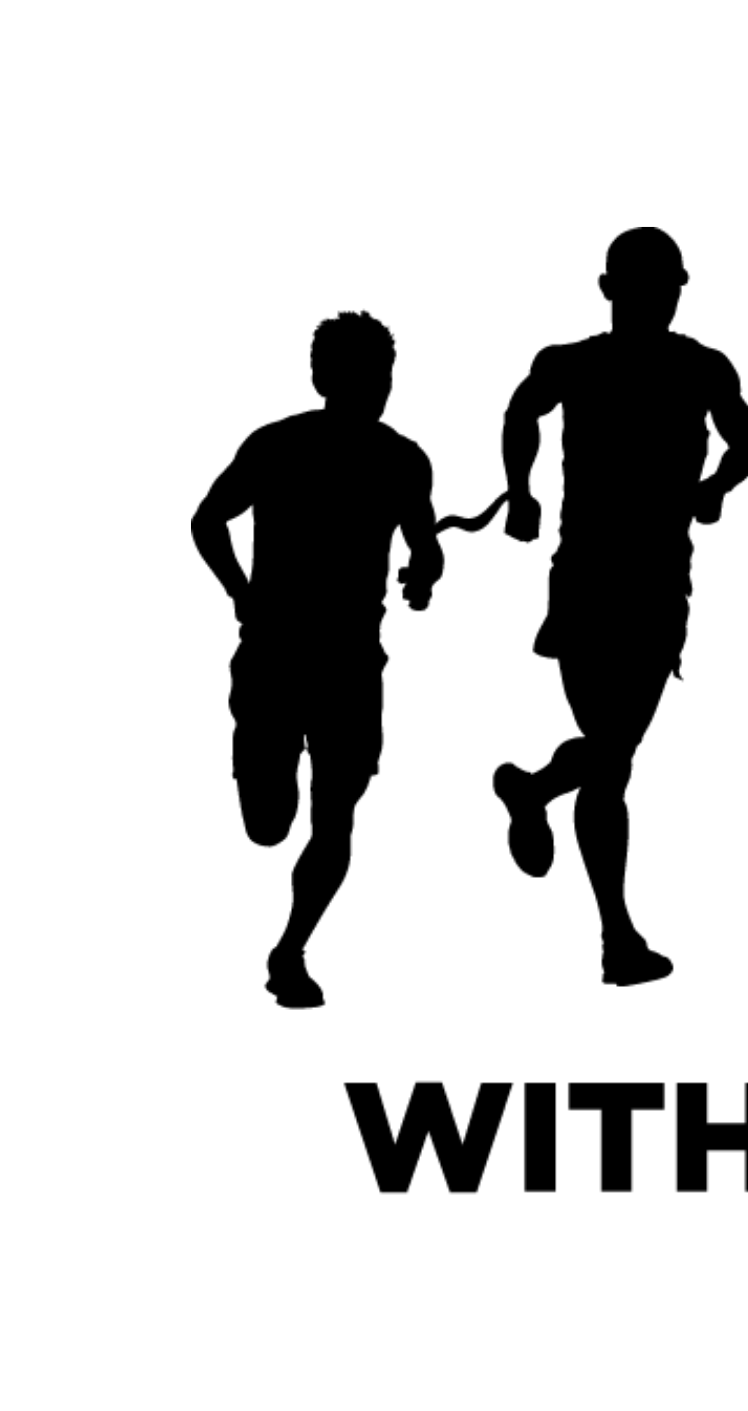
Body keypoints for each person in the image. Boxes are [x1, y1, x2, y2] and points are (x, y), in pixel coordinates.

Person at [483, 225, 748, 987]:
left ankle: (535, 790)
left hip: (657, 585)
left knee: (610, 755)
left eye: (667, 285)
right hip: (586, 581)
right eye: (643, 286)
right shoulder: (573, 363)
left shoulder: (702, 368)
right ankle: (618, 939)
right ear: (609, 290)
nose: (657, 299)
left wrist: (714, 487)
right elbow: (521, 411)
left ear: (679, 289)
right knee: (611, 758)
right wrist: (520, 491)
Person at [186, 311, 452, 1008]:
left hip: (351, 668)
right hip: (274, 658)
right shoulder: (278, 445)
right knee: (269, 825)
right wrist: (242, 593)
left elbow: (425, 547)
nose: (379, 387)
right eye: (367, 375)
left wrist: (423, 573)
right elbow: (206, 520)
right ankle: (269, 795)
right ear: (325, 379)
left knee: (334, 818)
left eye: (385, 375)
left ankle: (290, 952)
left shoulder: (402, 460)